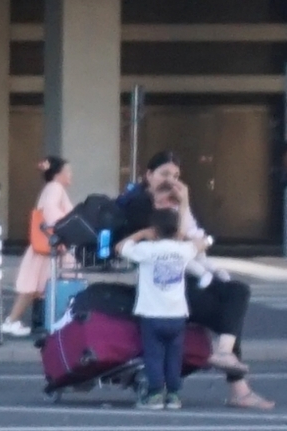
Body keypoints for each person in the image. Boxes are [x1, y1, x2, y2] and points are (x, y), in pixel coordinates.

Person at [116, 151, 272, 410]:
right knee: (227, 311)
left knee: (237, 293)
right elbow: (175, 244)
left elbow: (193, 243)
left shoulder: (174, 204)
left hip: (185, 279)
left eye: (176, 176)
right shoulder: (141, 205)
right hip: (165, 287)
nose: (170, 181)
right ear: (149, 175)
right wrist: (178, 211)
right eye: (164, 174)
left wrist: (184, 204)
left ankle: (224, 353)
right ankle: (237, 387)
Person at [122, 207, 208, 409]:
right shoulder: (183, 250)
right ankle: (174, 395)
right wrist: (183, 235)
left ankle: (154, 394)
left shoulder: (147, 250)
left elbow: (121, 247)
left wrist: (142, 233)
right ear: (176, 228)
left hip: (152, 313)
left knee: (153, 355)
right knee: (174, 356)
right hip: (177, 313)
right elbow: (203, 244)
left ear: (155, 229)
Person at [2, 155, 73, 339]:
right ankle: (13, 321)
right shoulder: (55, 188)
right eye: (68, 171)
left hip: (46, 246)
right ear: (58, 173)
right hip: (49, 246)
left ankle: (21, 321)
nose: (70, 175)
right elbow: (51, 211)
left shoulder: (53, 188)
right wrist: (64, 228)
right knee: (36, 285)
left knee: (35, 286)